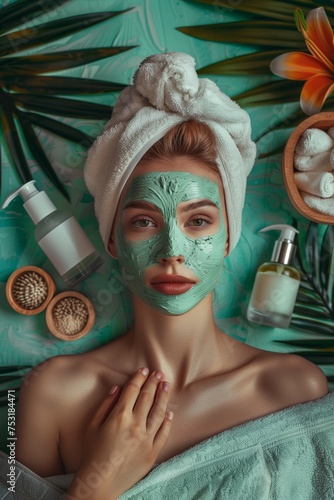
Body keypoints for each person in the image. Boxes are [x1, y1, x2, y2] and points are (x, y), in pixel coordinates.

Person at [13, 53, 331, 500]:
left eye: (198, 221)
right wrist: (95, 484)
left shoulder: (293, 388)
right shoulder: (50, 396)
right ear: (111, 240)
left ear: (227, 237)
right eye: (143, 222)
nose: (172, 253)